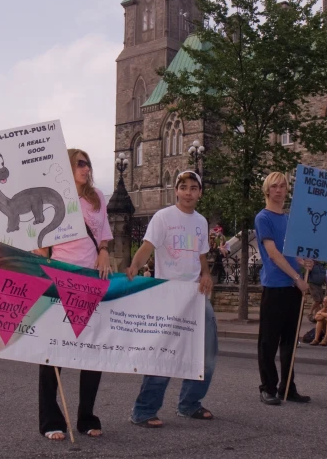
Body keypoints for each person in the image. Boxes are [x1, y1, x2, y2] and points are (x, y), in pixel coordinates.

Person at [127, 170, 217, 428]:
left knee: (206, 353)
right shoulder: (163, 217)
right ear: (176, 190)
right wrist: (134, 266)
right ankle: (143, 410)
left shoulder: (201, 222)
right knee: (164, 354)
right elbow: (147, 247)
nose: (188, 192)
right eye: (184, 187)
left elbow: (201, 256)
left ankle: (189, 404)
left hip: (195, 295)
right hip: (168, 294)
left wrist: (207, 274)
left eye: (193, 188)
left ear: (200, 192)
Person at [36, 149, 113, 441]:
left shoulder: (98, 197)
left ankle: (87, 416)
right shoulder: (53, 196)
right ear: (67, 167)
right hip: (59, 276)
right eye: (79, 163)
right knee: (52, 351)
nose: (85, 167)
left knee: (91, 351)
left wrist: (104, 251)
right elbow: (39, 237)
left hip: (92, 278)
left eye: (87, 163)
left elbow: (103, 232)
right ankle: (50, 420)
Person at [255, 172, 313, 406]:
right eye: (275, 186)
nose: (279, 190)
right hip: (276, 286)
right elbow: (274, 254)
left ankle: (287, 387)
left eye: (283, 186)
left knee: (290, 341)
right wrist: (297, 278)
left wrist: (304, 262)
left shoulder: (289, 219)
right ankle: (267, 386)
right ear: (267, 190)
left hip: (292, 287)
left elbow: (292, 251)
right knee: (269, 341)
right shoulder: (263, 218)